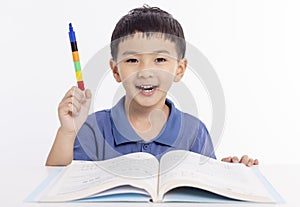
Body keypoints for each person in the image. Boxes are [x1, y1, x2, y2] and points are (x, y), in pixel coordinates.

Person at [46, 5, 258, 167]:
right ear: (116, 71)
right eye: (132, 60)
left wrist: (230, 174)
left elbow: (204, 188)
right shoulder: (93, 128)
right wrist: (67, 132)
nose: (145, 71)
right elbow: (58, 182)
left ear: (180, 70)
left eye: (159, 60)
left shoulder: (194, 132)